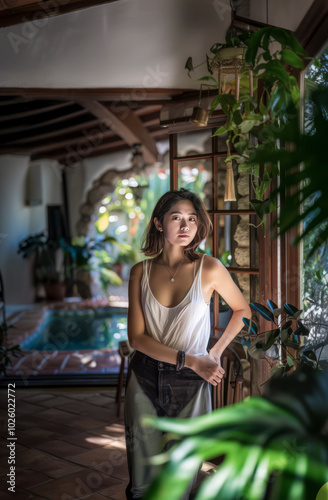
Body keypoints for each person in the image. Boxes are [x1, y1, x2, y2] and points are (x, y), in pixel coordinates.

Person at [124, 188, 251, 499]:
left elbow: (243, 311)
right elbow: (136, 338)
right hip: (144, 378)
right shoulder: (139, 272)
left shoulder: (209, 268)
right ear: (158, 223)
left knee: (180, 480)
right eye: (176, 218)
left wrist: (215, 353)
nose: (185, 226)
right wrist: (191, 359)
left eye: (192, 219)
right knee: (141, 483)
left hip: (192, 382)